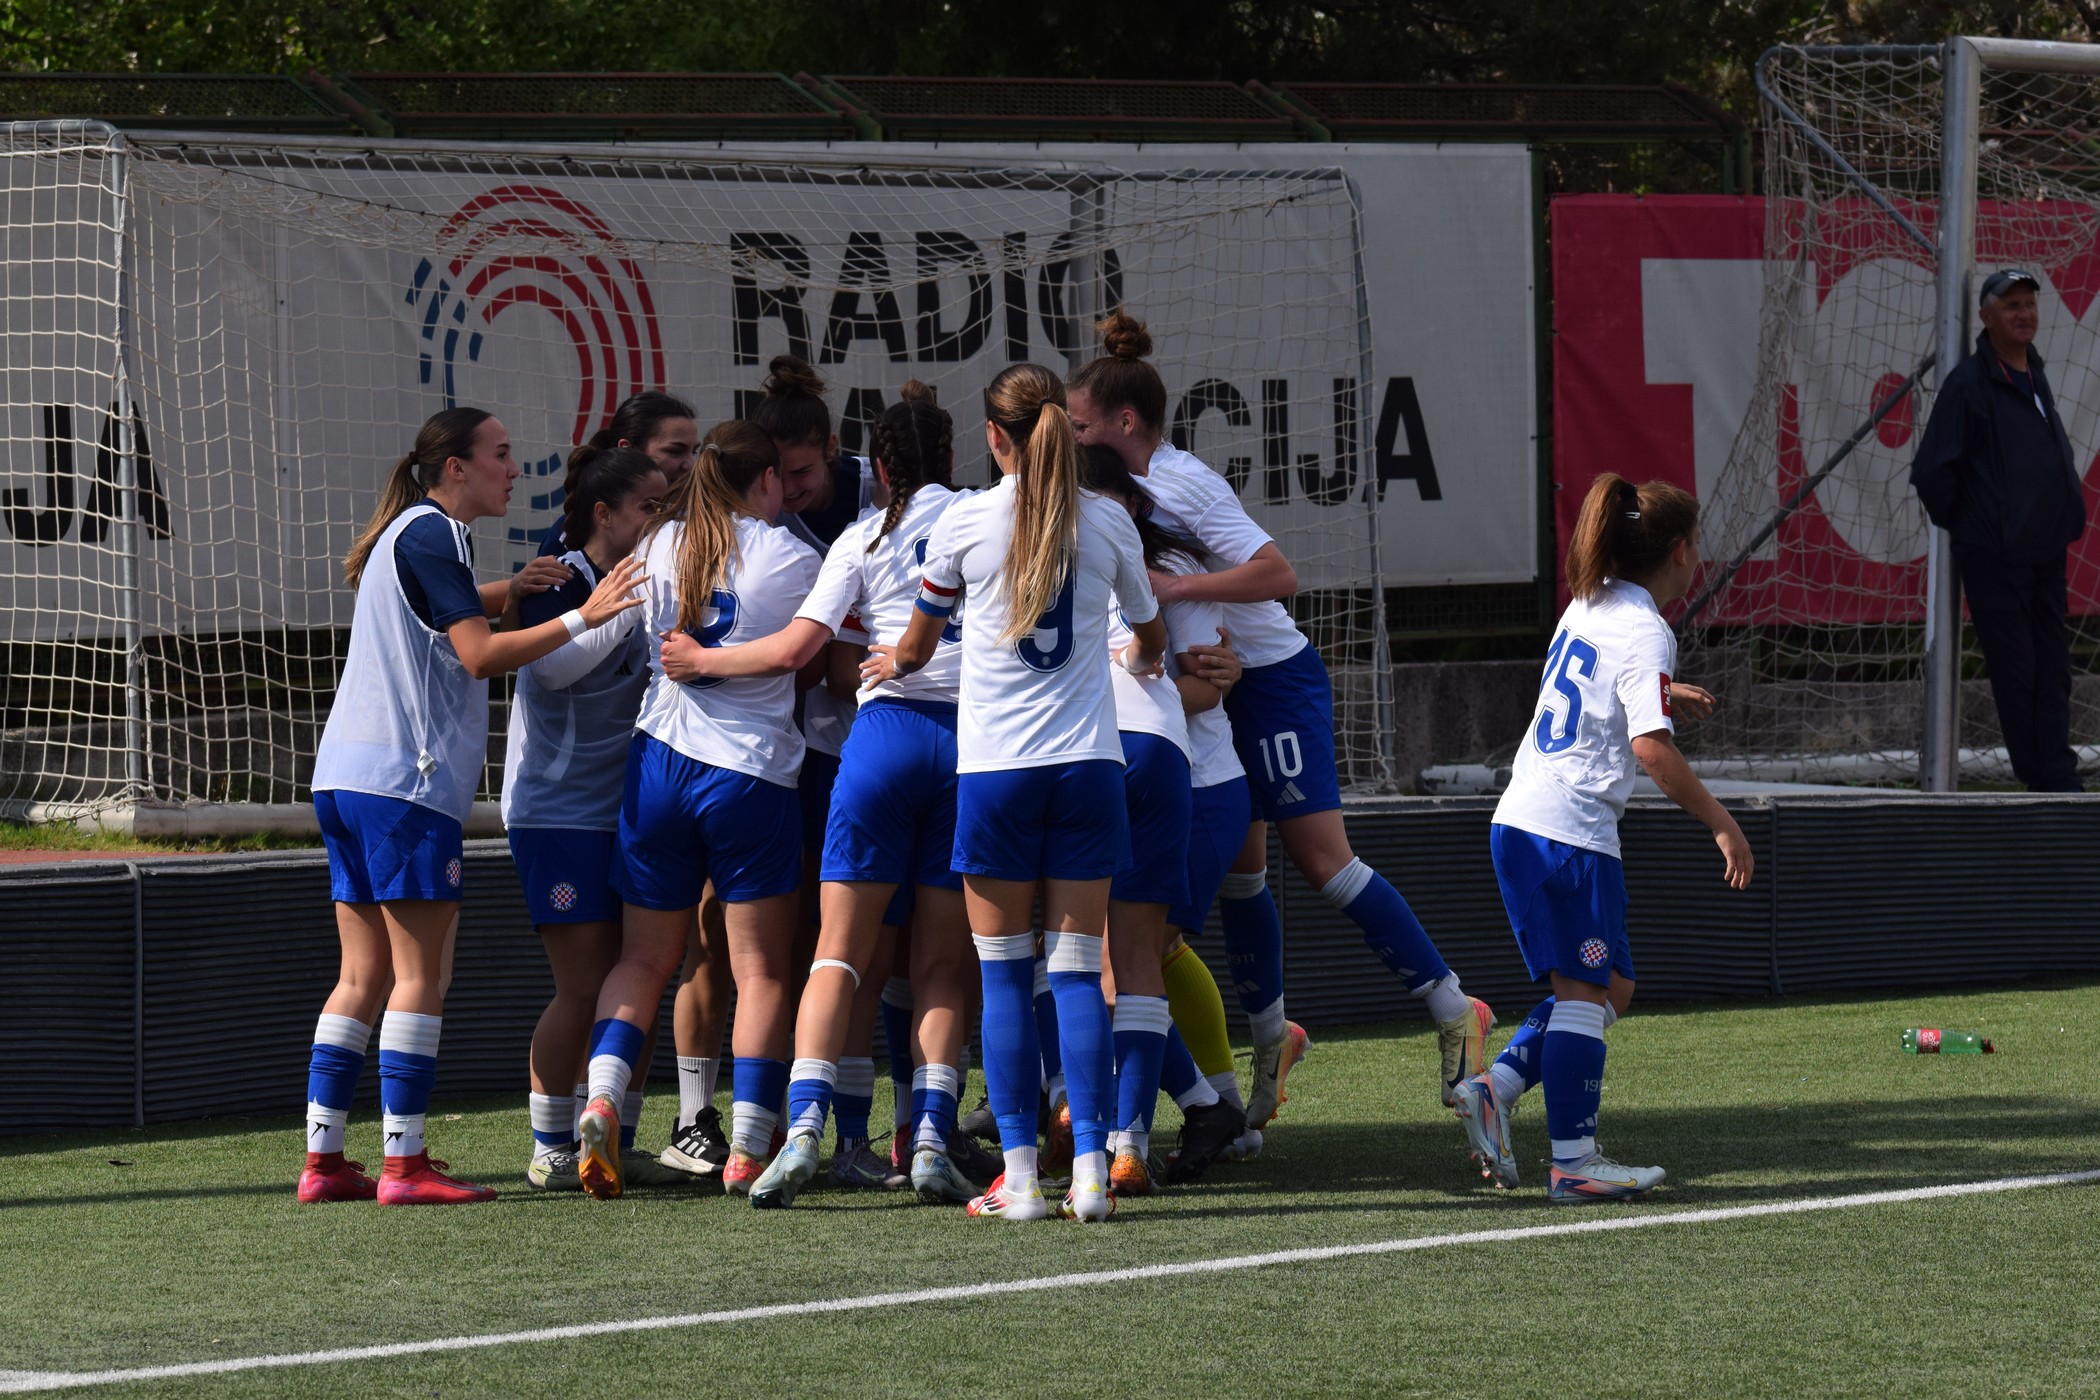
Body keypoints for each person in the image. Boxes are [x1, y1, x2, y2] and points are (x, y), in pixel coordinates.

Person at [1068, 310, 1493, 1123]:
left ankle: (1453, 1006)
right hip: (1217, 686)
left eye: (1082, 426)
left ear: (1123, 422)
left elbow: (1279, 573)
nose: (1074, 439)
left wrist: (1177, 591)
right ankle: (1270, 1041)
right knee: (1243, 875)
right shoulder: (1123, 494)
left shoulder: (1179, 482)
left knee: (1324, 860)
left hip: (1271, 680)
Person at [299, 407, 643, 1206]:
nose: (513, 469)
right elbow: (479, 654)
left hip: (349, 778)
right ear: (455, 467)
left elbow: (441, 614)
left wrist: (510, 590)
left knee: (361, 976)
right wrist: (584, 615)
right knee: (422, 975)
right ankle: (404, 1164)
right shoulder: (435, 533)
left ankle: (324, 1158)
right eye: (500, 454)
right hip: (406, 784)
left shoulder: (411, 533)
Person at [665, 384, 987, 1208]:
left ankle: (803, 1132)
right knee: (942, 968)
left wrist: (702, 662)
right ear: (954, 456)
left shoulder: (860, 536)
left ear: (876, 467)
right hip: (972, 744)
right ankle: (928, 1137)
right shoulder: (989, 518)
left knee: (837, 953)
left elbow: (798, 648)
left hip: (879, 741)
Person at [875, 363, 1165, 1223]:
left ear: (994, 437)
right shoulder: (1107, 519)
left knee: (1003, 980)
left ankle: (1023, 1181)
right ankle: (1091, 1174)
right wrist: (1141, 659)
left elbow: (916, 648)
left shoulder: (965, 521)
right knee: (1075, 976)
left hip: (997, 773)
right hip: (1088, 771)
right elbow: (1151, 635)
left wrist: (892, 661)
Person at [1451, 473, 1752, 1202]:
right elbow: (1651, 750)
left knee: (1613, 986)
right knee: (1586, 995)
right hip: (1569, 832)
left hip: (1526, 819)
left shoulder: (1591, 599)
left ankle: (1496, 1087)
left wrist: (1661, 692)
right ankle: (1574, 1163)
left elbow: (1596, 684)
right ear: (1680, 551)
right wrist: (1722, 821)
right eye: (1697, 543)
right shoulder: (1648, 629)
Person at [573, 422, 820, 1199]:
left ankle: (603, 1098)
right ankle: (745, 1146)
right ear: (767, 479)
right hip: (748, 774)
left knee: (642, 961)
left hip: (658, 764)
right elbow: (813, 656)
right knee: (759, 969)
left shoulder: (659, 542)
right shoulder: (792, 555)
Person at [503, 443, 690, 1191]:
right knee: (582, 987)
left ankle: (617, 1134)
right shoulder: (564, 578)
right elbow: (550, 670)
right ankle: (550, 1144)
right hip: (559, 814)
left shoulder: (655, 577)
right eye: (649, 506)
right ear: (605, 514)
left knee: (637, 978)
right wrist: (613, 613)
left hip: (632, 808)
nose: (660, 519)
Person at [1076, 444, 1248, 1196]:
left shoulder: (1051, 550)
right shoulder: (1116, 557)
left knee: (1083, 956)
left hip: (1119, 757)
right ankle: (1152, 1129)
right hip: (1151, 752)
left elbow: (1205, 679)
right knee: (1131, 958)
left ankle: (1073, 1128)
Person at [1911, 268, 2089, 792]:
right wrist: (1982, 528)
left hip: (2045, 549)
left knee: (2054, 668)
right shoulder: (1969, 384)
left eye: (2029, 304)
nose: (2023, 314)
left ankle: (2059, 776)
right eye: (2011, 306)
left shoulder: (2033, 371)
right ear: (1986, 317)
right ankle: (2041, 782)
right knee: (2019, 673)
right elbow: (1932, 472)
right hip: (1996, 557)